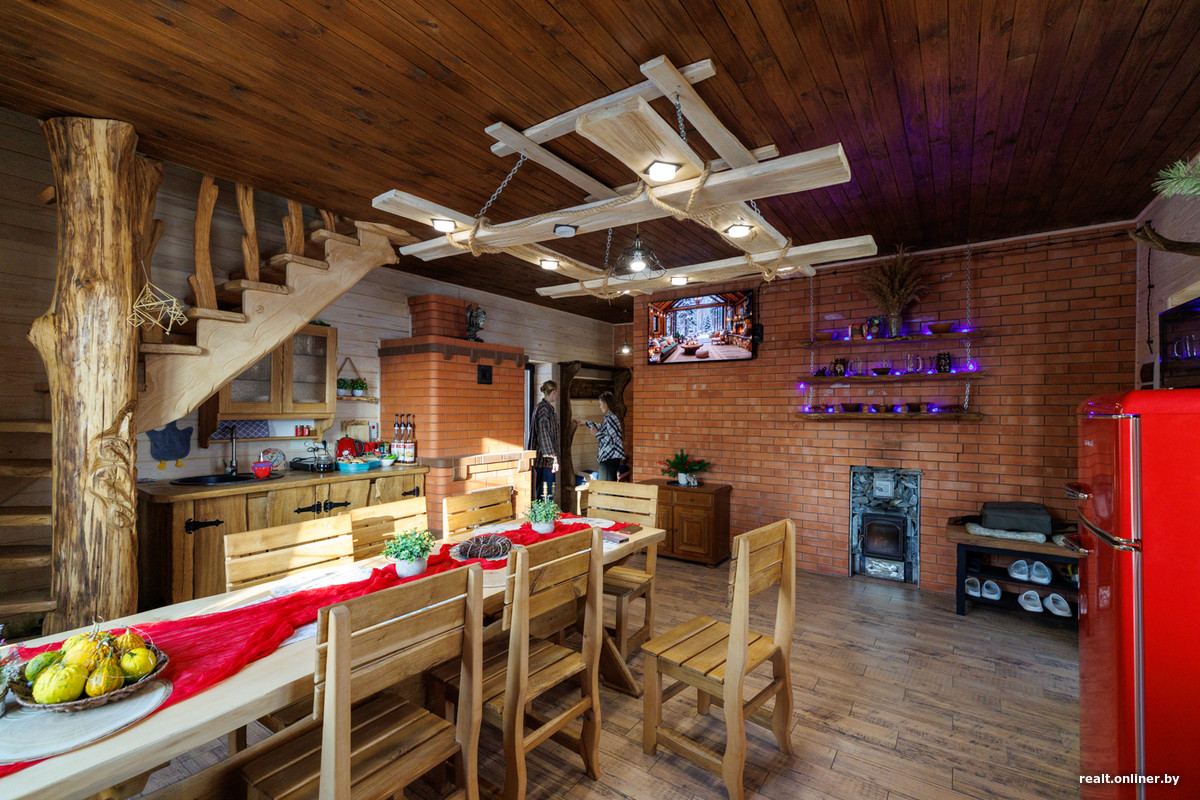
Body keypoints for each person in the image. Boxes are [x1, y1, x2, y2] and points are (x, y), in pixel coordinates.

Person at [577, 391, 625, 481]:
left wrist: (597, 434)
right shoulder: (610, 417)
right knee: (606, 486)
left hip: (609, 458)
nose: (599, 407)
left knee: (605, 487)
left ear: (606, 404)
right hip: (609, 458)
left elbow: (611, 439)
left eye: (601, 404)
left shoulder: (611, 418)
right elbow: (601, 427)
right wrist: (586, 422)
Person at [528, 380, 559, 500]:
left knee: (544, 494)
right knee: (546, 495)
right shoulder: (544, 409)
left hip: (543, 460)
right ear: (554, 392)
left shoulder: (543, 408)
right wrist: (553, 458)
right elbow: (544, 435)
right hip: (544, 461)